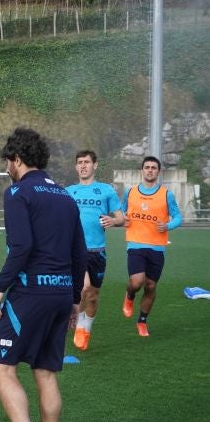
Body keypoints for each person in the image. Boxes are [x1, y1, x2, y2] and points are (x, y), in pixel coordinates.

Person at [0, 128, 86, 422]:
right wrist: (74, 299)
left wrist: (0, 288)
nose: (6, 169)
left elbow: (22, 247)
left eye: (7, 162)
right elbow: (80, 253)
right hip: (60, 294)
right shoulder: (65, 196)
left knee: (0, 367)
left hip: (32, 293)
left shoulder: (17, 192)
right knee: (45, 372)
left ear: (16, 160)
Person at [65, 150, 124, 350]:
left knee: (93, 294)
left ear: (95, 165)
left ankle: (85, 327)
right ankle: (77, 321)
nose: (83, 166)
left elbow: (121, 217)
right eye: (80, 162)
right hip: (74, 250)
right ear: (76, 166)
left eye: (87, 162)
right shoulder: (69, 191)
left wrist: (113, 220)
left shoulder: (106, 190)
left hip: (97, 251)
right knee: (83, 288)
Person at [121, 156, 182, 337]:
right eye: (147, 167)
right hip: (136, 244)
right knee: (137, 282)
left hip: (157, 247)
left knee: (150, 286)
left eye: (153, 168)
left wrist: (168, 225)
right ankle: (130, 295)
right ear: (142, 170)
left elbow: (178, 217)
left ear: (158, 171)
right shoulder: (130, 192)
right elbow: (121, 212)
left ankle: (142, 321)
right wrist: (123, 219)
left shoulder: (166, 194)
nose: (150, 170)